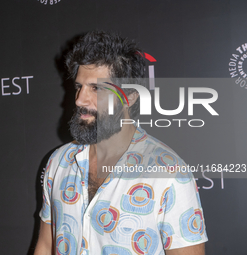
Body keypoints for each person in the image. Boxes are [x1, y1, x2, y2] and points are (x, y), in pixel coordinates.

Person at [34, 31, 208, 255]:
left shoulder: (169, 174)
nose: (79, 100)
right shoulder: (59, 162)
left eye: (96, 88)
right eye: (79, 87)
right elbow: (46, 246)